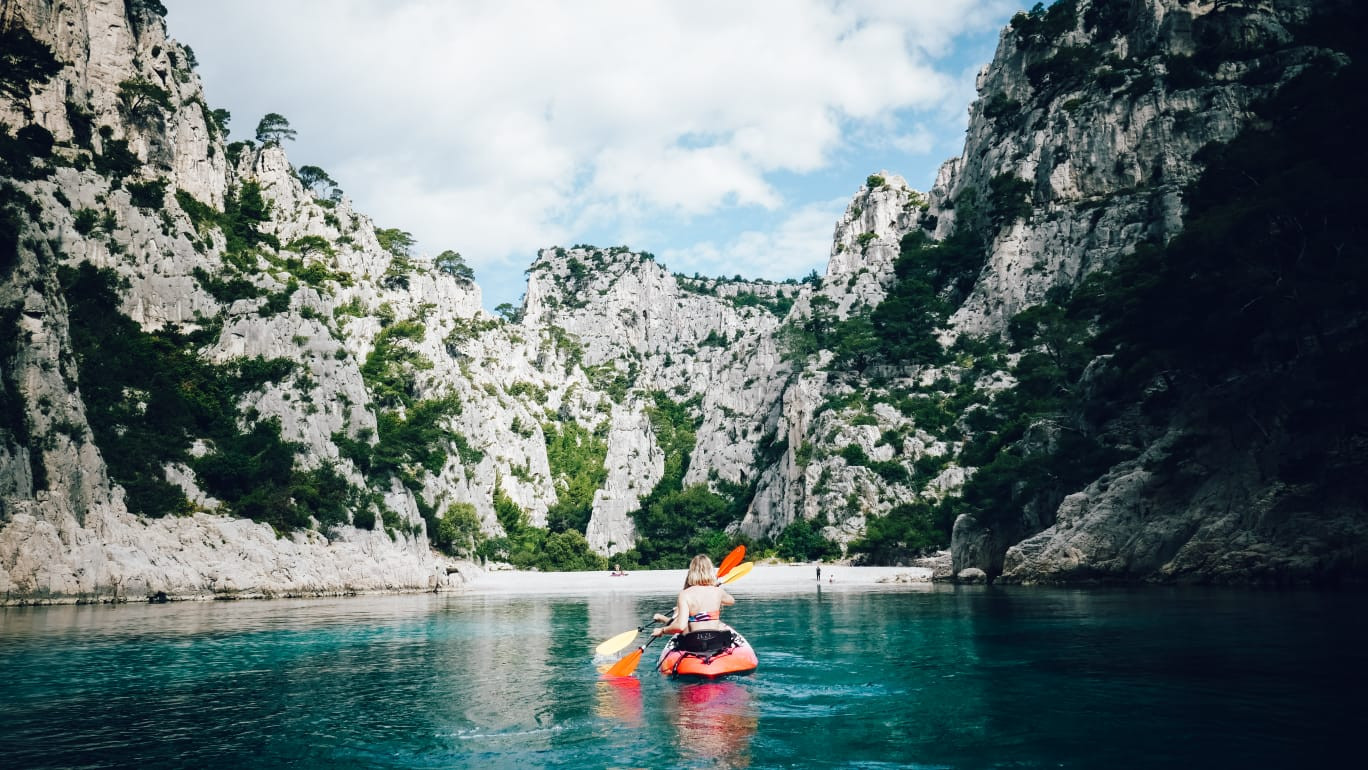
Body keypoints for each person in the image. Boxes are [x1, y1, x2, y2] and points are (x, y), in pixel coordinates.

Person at [651, 554, 735, 639]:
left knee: (685, 624)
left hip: (694, 643)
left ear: (691, 572)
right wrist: (715, 586)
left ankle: (663, 618)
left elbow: (680, 626)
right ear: (711, 571)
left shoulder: (684, 594)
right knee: (721, 626)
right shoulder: (718, 591)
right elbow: (731, 601)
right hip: (715, 641)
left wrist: (662, 630)